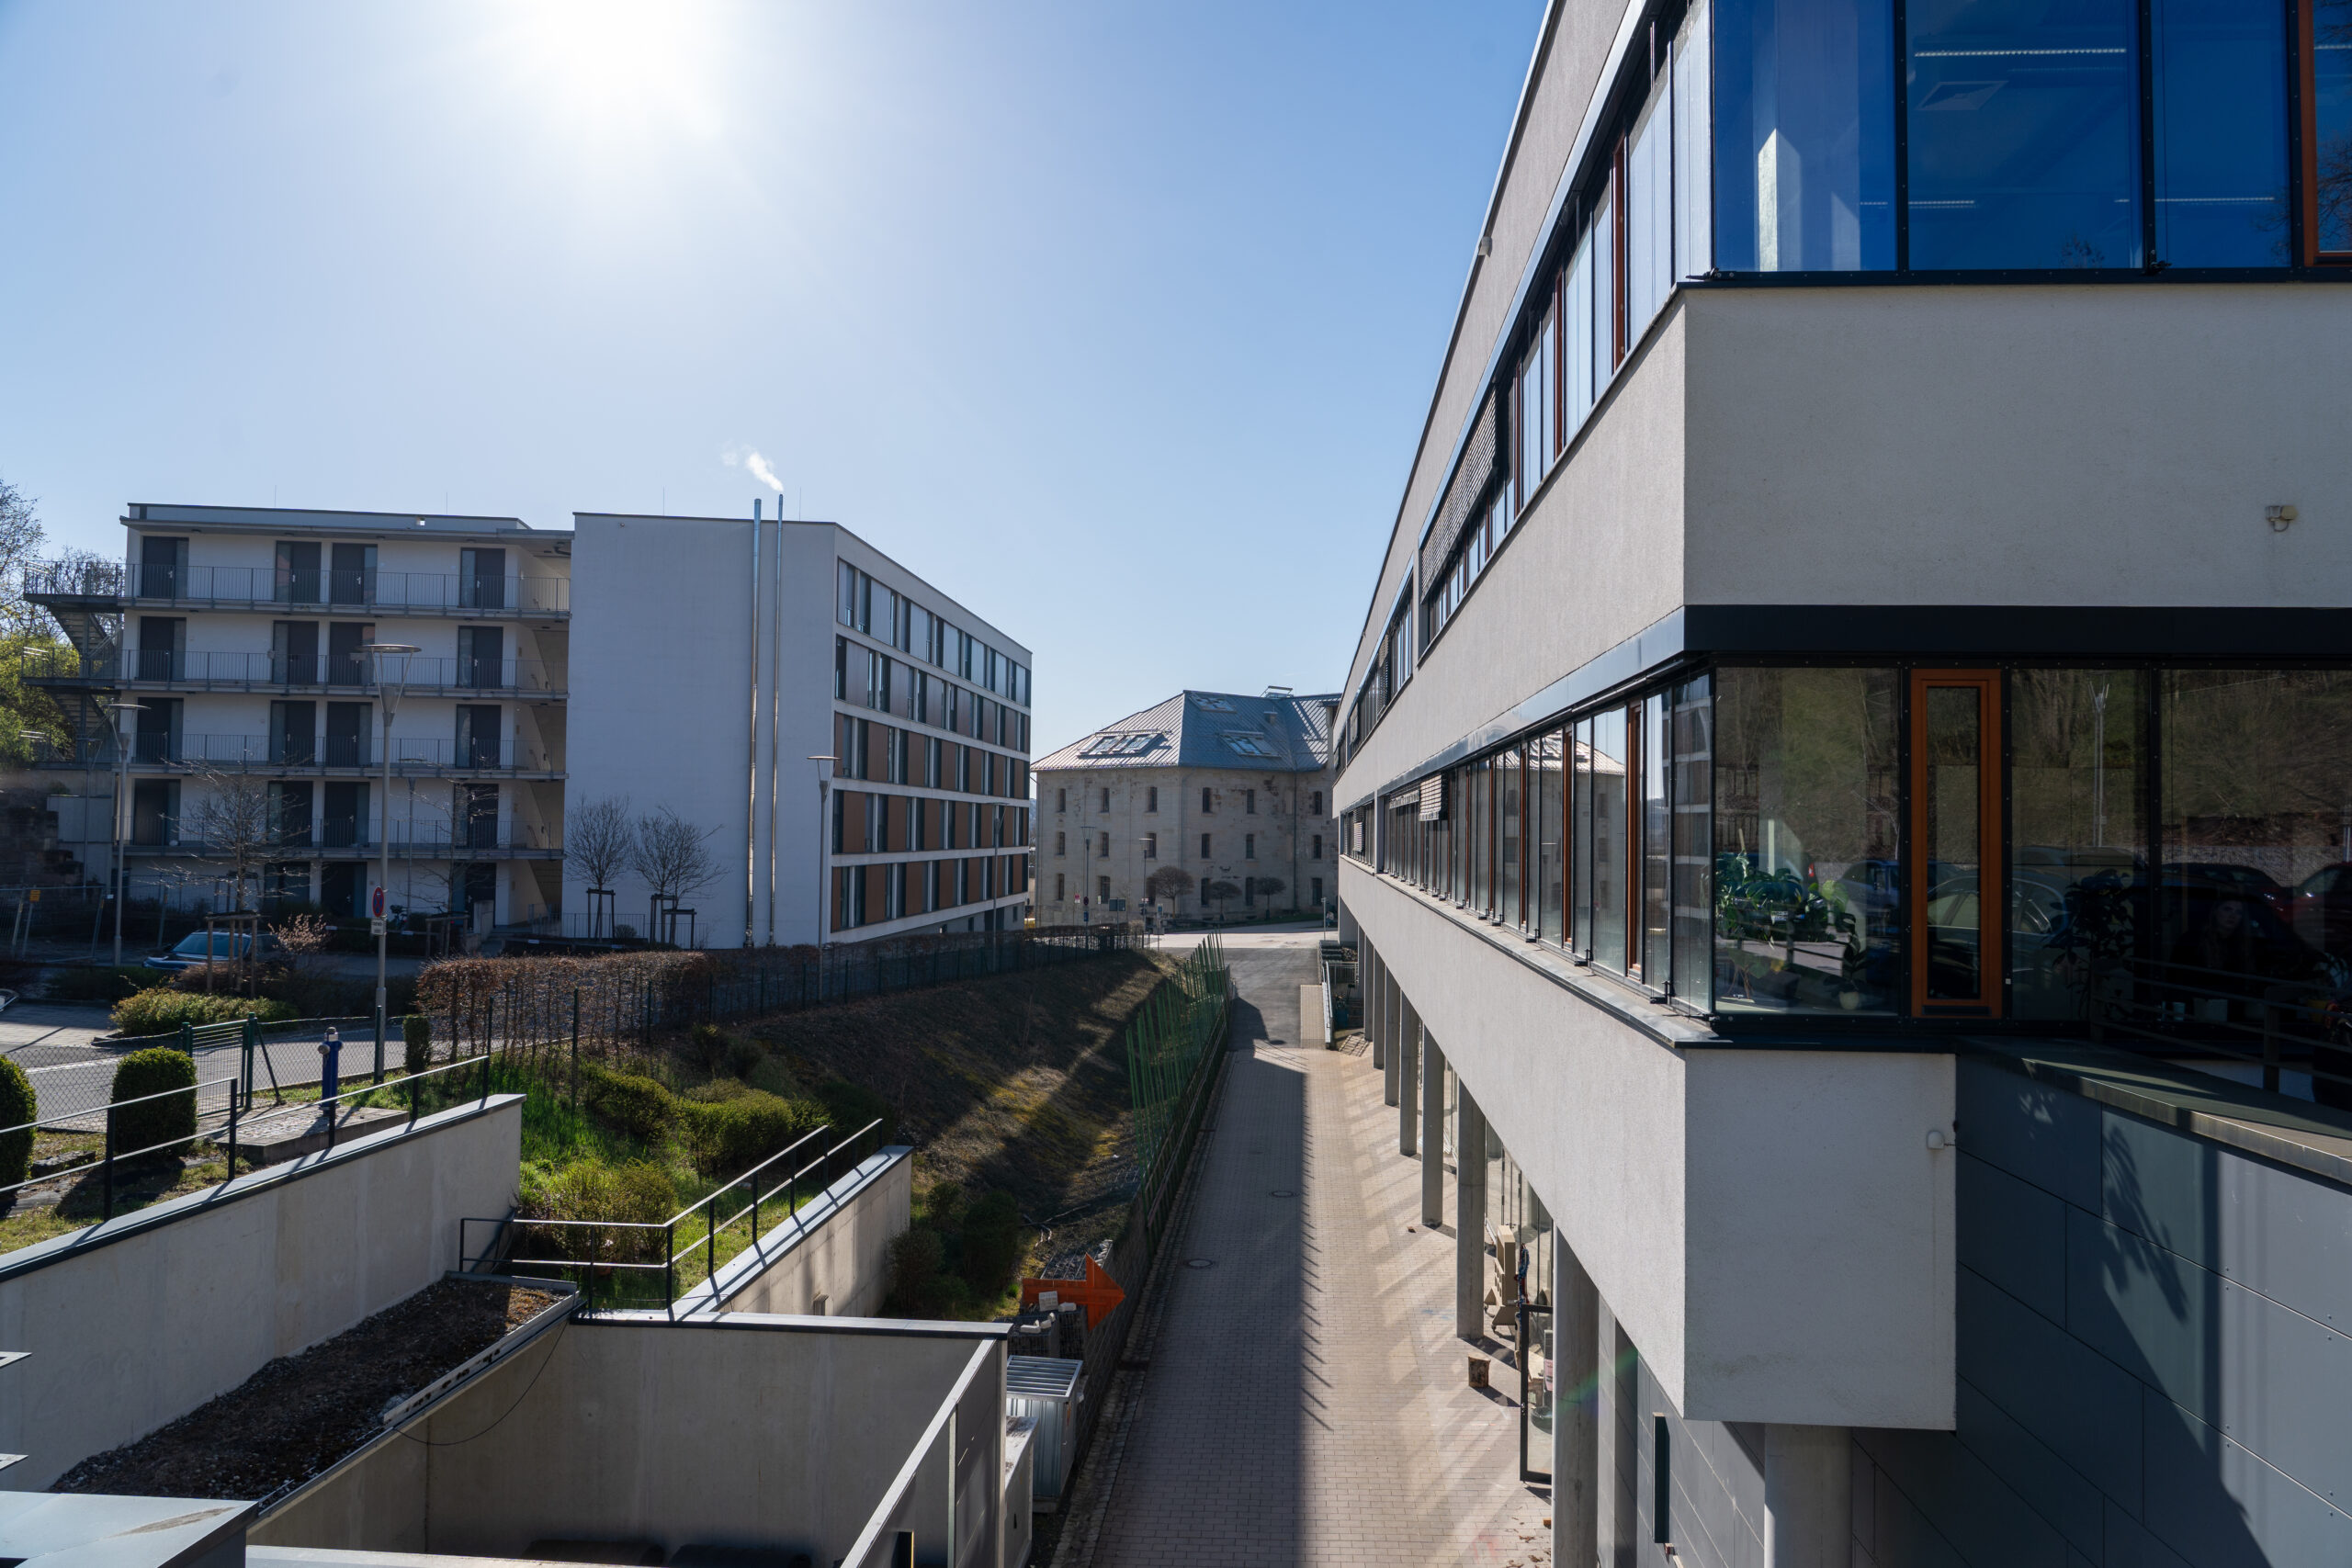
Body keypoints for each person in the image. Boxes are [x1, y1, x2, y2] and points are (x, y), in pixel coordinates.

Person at [318, 1024, 343, 1107]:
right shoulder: (336, 1044)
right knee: (330, 1078)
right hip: (329, 1056)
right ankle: (330, 1102)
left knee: (330, 1078)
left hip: (329, 1055)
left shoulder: (332, 1045)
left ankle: (328, 1103)